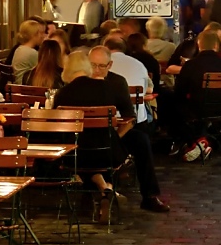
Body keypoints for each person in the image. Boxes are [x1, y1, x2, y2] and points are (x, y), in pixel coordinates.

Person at [54, 46, 169, 213]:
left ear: (110, 65)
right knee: (100, 147)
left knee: (140, 140)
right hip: (98, 144)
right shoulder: (104, 88)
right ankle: (104, 190)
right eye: (93, 65)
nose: (97, 70)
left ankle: (147, 196)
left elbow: (130, 118)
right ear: (87, 64)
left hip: (83, 145)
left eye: (102, 66)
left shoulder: (114, 83)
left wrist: (113, 137)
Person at [173, 29, 221, 153]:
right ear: (216, 46)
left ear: (199, 44)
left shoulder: (191, 65)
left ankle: (191, 140)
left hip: (196, 109)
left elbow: (179, 92)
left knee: (174, 106)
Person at [104, 34, 156, 124]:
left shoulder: (100, 66)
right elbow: (149, 89)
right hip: (136, 119)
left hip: (106, 119)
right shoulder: (138, 64)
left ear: (105, 48)